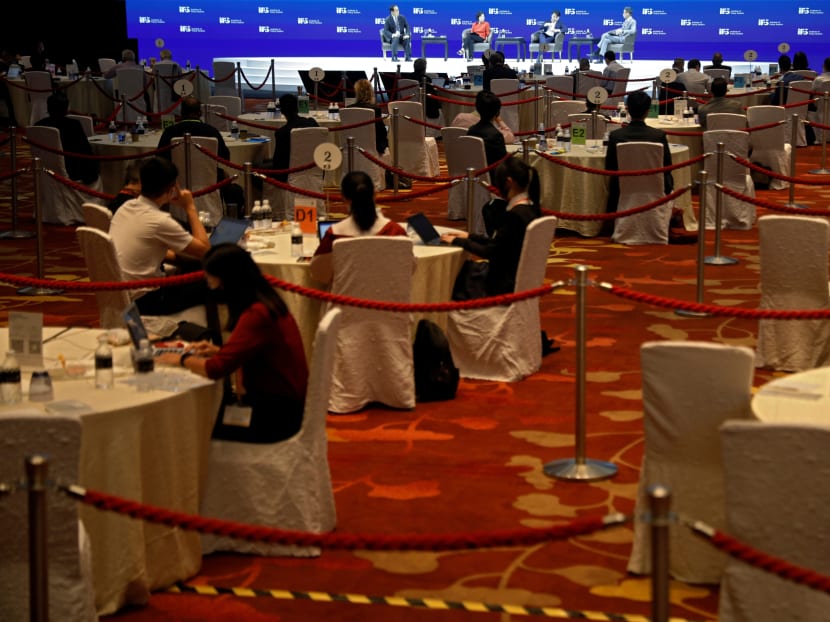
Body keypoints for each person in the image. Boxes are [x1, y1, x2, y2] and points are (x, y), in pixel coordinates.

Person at [156, 243, 309, 444]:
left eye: (212, 280)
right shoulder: (268, 303)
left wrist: (181, 359)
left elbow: (215, 369)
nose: (210, 286)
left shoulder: (256, 315)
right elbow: (257, 354)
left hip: (274, 417)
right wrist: (219, 350)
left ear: (228, 282)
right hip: (287, 406)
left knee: (193, 426)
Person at [109, 156, 212, 315]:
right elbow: (206, 251)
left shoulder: (126, 207)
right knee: (216, 281)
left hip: (121, 294)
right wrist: (190, 207)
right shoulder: (160, 221)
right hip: (147, 300)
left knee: (191, 269)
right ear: (172, 189)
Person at [441, 156, 541, 299]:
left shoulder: (514, 216)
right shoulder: (532, 209)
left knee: (453, 274)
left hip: (500, 284)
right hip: (515, 275)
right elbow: (500, 244)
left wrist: (457, 241)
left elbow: (490, 251)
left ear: (508, 182)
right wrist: (469, 236)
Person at [309, 171, 407, 284]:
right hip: (389, 295)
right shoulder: (396, 231)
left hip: (344, 295)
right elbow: (409, 268)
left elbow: (319, 274)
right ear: (375, 195)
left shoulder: (335, 234)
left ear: (343, 198)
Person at [157, 95, 244, 206]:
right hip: (208, 178)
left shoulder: (170, 132)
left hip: (176, 180)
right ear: (200, 113)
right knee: (230, 183)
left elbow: (160, 158)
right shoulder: (211, 131)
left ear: (182, 113)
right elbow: (225, 158)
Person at [605, 90, 673, 219]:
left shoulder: (616, 136)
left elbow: (610, 168)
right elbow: (667, 166)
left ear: (627, 109)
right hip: (654, 187)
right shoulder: (658, 136)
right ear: (647, 111)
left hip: (622, 188)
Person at [35, 92, 100, 185]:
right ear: (66, 109)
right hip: (72, 171)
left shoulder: (38, 125)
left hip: (45, 169)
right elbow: (84, 150)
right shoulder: (73, 125)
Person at [271, 93, 319, 182]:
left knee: (253, 170)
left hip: (287, 174)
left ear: (282, 111)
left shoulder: (282, 133)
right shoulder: (312, 123)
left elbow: (278, 163)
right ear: (297, 108)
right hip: (314, 169)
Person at [466, 90, 508, 166]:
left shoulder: (470, 131)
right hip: (493, 172)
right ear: (497, 113)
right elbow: (503, 164)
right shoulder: (496, 136)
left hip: (474, 172)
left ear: (478, 109)